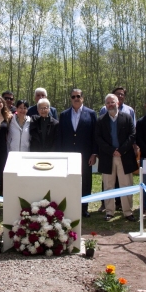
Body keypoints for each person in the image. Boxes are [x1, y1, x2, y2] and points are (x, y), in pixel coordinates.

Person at [96, 93, 137, 221]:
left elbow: (132, 135)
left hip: (124, 157)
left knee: (126, 185)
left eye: (112, 102)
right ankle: (109, 212)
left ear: (118, 103)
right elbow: (98, 138)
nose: (110, 105)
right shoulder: (100, 120)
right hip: (108, 157)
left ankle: (128, 212)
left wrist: (121, 150)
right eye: (107, 103)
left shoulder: (127, 117)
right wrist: (112, 151)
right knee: (108, 185)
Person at [58, 89, 98, 217]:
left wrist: (94, 153)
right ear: (70, 98)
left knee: (85, 181)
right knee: (68, 180)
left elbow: (95, 135)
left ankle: (83, 208)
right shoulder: (64, 115)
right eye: (73, 96)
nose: (76, 98)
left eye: (78, 96)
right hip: (68, 154)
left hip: (85, 155)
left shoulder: (91, 114)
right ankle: (68, 207)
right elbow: (61, 136)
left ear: (83, 98)